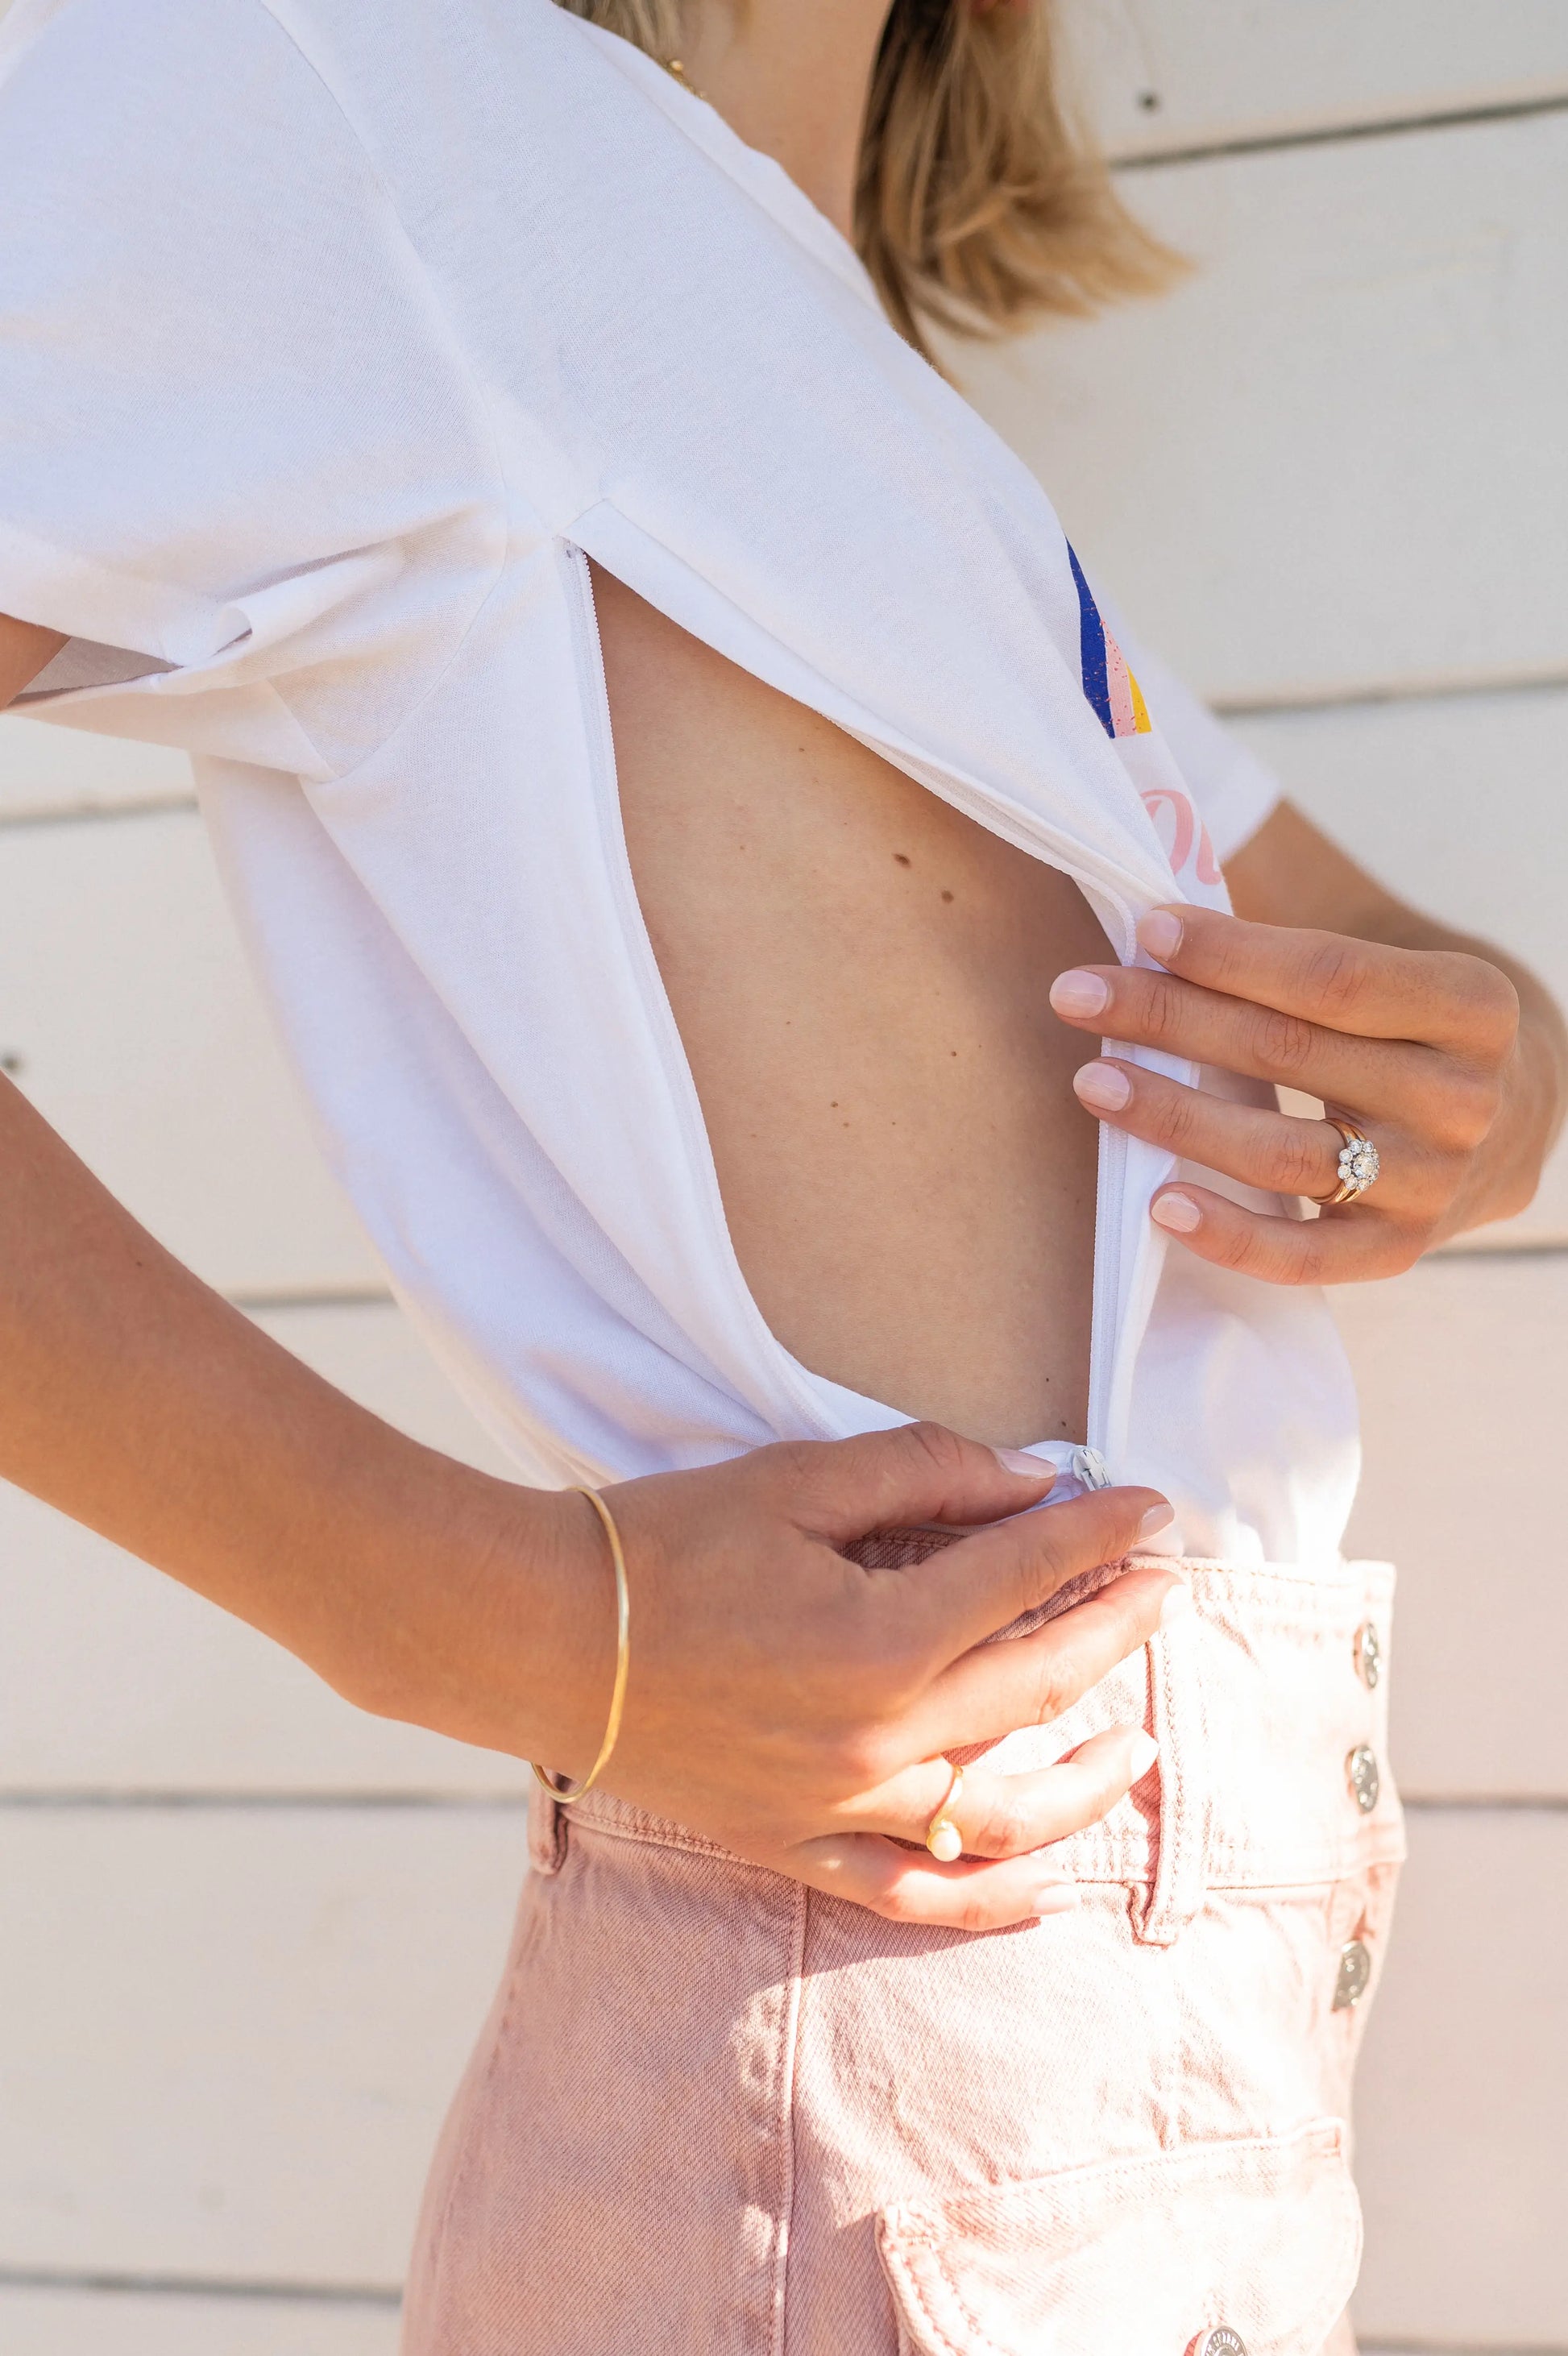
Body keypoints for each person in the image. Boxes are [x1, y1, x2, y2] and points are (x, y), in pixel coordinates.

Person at [0, 0, 1561, 2346]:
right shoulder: (336, 87)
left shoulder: (842, 396)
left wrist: (1486, 1078)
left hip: (1117, 2056)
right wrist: (490, 1620)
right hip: (927, 2008)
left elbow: (1401, 980)